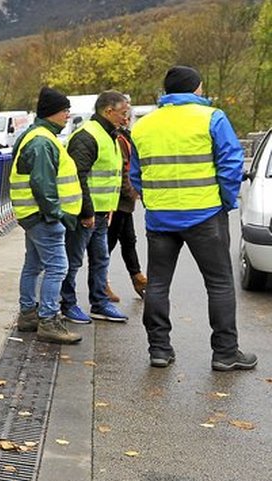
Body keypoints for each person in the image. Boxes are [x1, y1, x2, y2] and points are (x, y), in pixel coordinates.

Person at [130, 66, 254, 371]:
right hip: (205, 214)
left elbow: (136, 174)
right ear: (195, 89)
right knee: (220, 284)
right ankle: (225, 353)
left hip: (160, 218)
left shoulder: (143, 126)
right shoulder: (212, 117)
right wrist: (225, 201)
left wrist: (154, 200)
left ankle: (159, 350)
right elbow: (231, 162)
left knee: (157, 283)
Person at [11, 87, 83, 345]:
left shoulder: (36, 135)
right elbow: (43, 183)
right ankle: (49, 320)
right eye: (65, 110)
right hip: (43, 216)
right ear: (52, 112)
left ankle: (28, 314)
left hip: (32, 214)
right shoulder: (43, 141)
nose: (68, 115)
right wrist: (56, 215)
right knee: (57, 267)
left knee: (34, 265)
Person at [60, 91, 131, 324]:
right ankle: (67, 304)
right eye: (123, 113)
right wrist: (87, 212)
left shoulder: (110, 135)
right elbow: (78, 177)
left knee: (101, 259)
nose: (126, 118)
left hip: (101, 213)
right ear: (108, 111)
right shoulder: (87, 136)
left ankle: (99, 303)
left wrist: (108, 208)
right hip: (85, 214)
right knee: (73, 260)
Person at [105, 123, 147, 302]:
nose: (126, 118)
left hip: (124, 202)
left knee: (129, 240)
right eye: (123, 114)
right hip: (117, 201)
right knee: (109, 243)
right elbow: (121, 171)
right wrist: (132, 193)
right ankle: (101, 283)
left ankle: (137, 277)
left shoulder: (125, 137)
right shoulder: (118, 139)